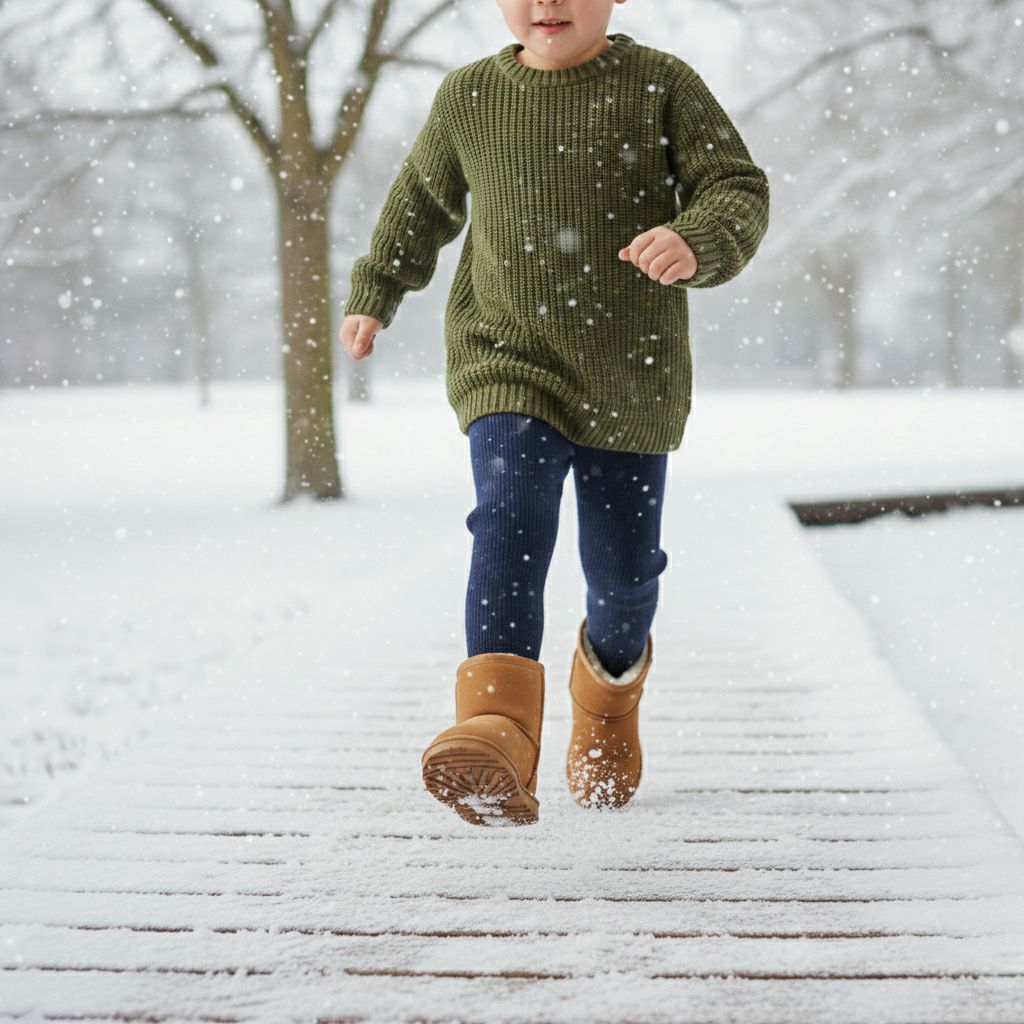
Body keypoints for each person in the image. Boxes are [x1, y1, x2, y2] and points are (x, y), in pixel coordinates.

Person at [338, 0, 770, 826]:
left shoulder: (661, 86)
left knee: (623, 573)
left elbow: (736, 187)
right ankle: (496, 729)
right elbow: (421, 201)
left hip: (629, 372)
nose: (547, 3)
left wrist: (697, 238)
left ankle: (607, 700)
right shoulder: (469, 97)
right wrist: (377, 288)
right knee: (509, 514)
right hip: (506, 357)